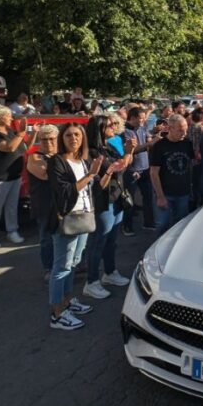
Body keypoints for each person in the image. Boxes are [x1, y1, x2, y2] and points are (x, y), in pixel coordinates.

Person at [47, 123, 104, 330]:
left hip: (84, 216)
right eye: (69, 135)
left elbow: (91, 190)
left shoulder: (83, 160)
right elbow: (65, 191)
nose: (73, 139)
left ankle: (67, 301)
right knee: (61, 267)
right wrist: (90, 175)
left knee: (74, 262)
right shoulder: (57, 161)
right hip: (67, 219)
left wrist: (102, 174)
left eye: (77, 135)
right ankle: (57, 313)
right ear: (62, 138)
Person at [82, 116, 134, 300]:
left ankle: (110, 272)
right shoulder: (93, 152)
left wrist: (130, 151)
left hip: (116, 197)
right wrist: (122, 159)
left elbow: (123, 165)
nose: (114, 126)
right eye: (110, 124)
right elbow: (113, 170)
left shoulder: (108, 146)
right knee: (98, 242)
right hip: (103, 201)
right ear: (100, 129)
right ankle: (91, 281)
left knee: (111, 240)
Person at [0, 105, 35, 249]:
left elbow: (24, 147)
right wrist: (21, 133)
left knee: (12, 205)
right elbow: (9, 147)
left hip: (14, 174)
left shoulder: (10, 130)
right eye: (8, 115)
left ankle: (12, 231)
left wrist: (32, 133)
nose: (11, 117)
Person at [149, 114, 194, 236]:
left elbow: (192, 164)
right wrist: (160, 196)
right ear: (170, 128)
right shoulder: (159, 146)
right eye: (180, 130)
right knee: (162, 225)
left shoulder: (187, 144)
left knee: (179, 226)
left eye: (185, 129)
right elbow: (154, 172)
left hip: (183, 193)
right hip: (165, 194)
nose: (184, 133)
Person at [26, 125, 59, 281]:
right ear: (39, 140)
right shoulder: (35, 157)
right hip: (44, 203)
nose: (48, 143)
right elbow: (45, 175)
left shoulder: (62, 155)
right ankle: (49, 268)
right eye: (44, 139)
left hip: (62, 203)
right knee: (46, 238)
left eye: (52, 139)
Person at [121, 106, 159, 236]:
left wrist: (152, 137)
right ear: (132, 118)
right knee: (129, 200)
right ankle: (127, 226)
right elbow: (133, 149)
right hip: (132, 170)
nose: (143, 121)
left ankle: (148, 222)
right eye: (140, 119)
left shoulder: (142, 127)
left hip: (145, 168)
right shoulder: (125, 131)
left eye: (144, 118)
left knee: (148, 197)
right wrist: (150, 143)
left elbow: (148, 137)